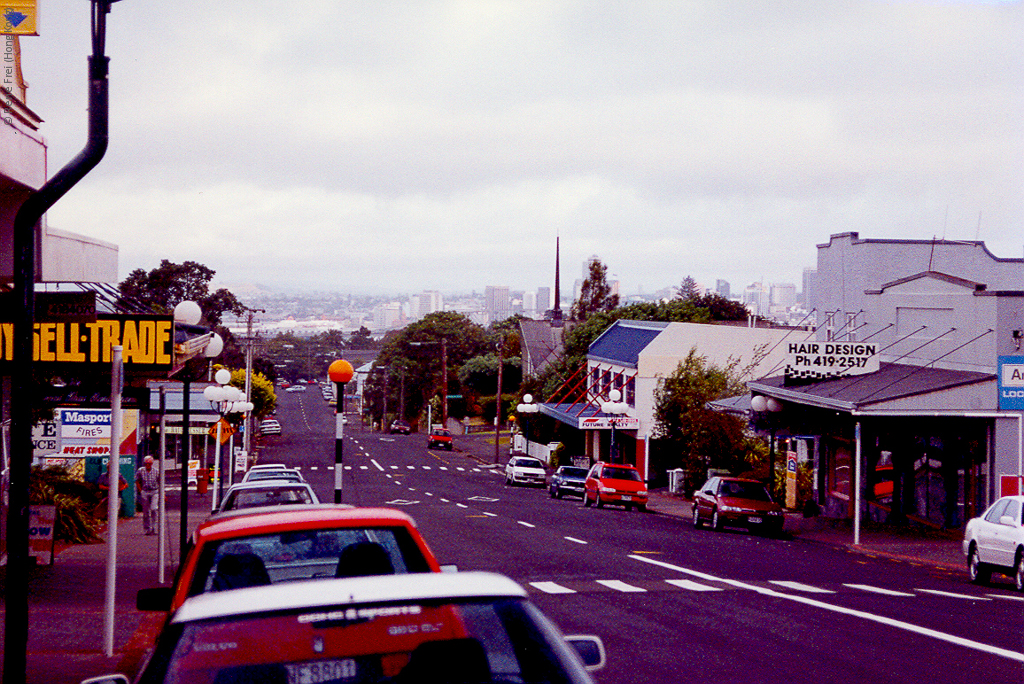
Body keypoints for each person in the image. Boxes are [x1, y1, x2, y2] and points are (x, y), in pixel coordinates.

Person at [135, 456, 160, 535]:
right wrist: (140, 490)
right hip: (145, 491)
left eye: (149, 463)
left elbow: (160, 482)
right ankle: (147, 529)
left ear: (152, 463)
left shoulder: (156, 471)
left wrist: (163, 493)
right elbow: (137, 480)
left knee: (154, 509)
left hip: (154, 491)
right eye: (146, 463)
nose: (148, 465)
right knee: (146, 511)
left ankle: (154, 528)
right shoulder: (140, 471)